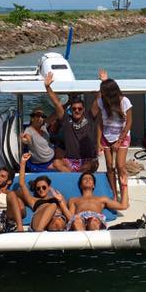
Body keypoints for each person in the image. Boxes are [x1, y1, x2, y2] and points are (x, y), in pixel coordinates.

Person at [44, 72, 99, 173]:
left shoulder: (89, 117)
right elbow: (57, 103)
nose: (77, 110)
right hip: (71, 161)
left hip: (87, 160)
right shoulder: (66, 119)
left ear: (83, 109)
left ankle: (75, 175)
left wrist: (103, 82)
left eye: (79, 108)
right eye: (74, 109)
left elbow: (98, 100)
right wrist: (47, 86)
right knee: (56, 163)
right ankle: (73, 176)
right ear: (71, 109)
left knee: (91, 165)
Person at [91, 69, 132, 199]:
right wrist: (98, 142)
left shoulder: (124, 101)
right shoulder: (101, 101)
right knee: (109, 166)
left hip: (122, 136)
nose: (101, 93)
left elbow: (129, 123)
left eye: (102, 91)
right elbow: (95, 117)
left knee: (120, 165)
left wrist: (119, 141)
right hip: (106, 136)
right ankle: (114, 194)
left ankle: (124, 194)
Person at [16, 152, 69, 231]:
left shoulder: (57, 197)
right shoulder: (33, 200)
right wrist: (23, 163)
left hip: (57, 218)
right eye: (38, 188)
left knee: (58, 221)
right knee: (53, 205)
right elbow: (22, 184)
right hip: (39, 220)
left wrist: (60, 201)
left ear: (49, 188)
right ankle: (39, 232)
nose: (41, 190)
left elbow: (66, 211)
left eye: (44, 187)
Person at [20, 106, 56, 172]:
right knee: (60, 165)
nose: (40, 118)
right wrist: (25, 140)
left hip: (52, 156)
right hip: (42, 163)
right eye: (37, 116)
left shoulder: (44, 127)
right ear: (32, 118)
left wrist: (68, 103)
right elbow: (27, 140)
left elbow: (56, 114)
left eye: (42, 116)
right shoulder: (28, 131)